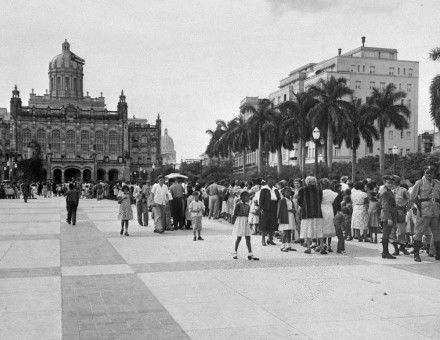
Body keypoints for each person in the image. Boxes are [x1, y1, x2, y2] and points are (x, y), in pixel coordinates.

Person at [410, 165, 440, 262]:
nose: (430, 174)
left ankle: (438, 254)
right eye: (427, 172)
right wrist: (418, 206)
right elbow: (413, 197)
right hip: (424, 211)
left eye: (432, 172)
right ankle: (416, 254)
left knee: (437, 233)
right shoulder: (419, 183)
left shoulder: (437, 183)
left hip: (435, 211)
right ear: (424, 173)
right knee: (419, 232)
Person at [298, 176, 324, 254]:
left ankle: (308, 248)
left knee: (308, 231)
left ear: (307, 182)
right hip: (317, 213)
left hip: (307, 213)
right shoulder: (319, 190)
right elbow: (320, 200)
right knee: (319, 230)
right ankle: (322, 248)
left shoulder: (302, 190)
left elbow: (299, 201)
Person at [232, 191, 259, 260]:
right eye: (247, 196)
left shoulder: (248, 205)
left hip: (246, 221)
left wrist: (249, 222)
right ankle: (235, 252)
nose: (248, 198)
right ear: (243, 197)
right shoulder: (238, 204)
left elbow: (249, 214)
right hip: (240, 221)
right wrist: (234, 220)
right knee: (239, 237)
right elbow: (235, 213)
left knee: (248, 237)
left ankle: (250, 253)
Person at [259, 175, 280, 246]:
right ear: (267, 181)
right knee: (264, 224)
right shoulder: (264, 189)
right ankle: (263, 240)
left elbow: (278, 198)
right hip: (266, 208)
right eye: (269, 180)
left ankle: (270, 239)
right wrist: (261, 208)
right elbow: (261, 200)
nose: (271, 181)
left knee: (273, 223)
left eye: (272, 179)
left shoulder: (275, 189)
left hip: (274, 208)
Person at [380, 175, 397, 259]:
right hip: (387, 216)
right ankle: (385, 253)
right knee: (386, 234)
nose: (390, 184)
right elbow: (385, 206)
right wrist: (389, 218)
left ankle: (385, 252)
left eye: (391, 183)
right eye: (388, 183)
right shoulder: (385, 192)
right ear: (384, 182)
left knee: (386, 234)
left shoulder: (389, 191)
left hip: (389, 215)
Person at [277, 187, 296, 252]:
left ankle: (289, 245)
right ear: (284, 193)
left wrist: (293, 211)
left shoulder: (291, 200)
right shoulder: (282, 200)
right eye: (286, 192)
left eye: (289, 192)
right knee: (285, 232)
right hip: (285, 217)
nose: (288, 193)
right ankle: (282, 246)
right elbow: (280, 210)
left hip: (291, 217)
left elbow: (292, 208)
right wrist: (289, 210)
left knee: (289, 231)